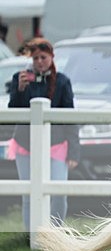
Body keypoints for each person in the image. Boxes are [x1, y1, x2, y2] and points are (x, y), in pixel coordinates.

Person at [8, 38, 80, 233]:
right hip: (26, 143)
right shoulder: (19, 78)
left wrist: (74, 151)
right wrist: (20, 90)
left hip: (56, 144)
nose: (39, 62)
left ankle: (54, 233)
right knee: (28, 194)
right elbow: (13, 111)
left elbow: (70, 118)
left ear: (52, 57)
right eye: (36, 58)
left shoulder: (62, 81)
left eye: (43, 57)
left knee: (58, 193)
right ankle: (32, 234)